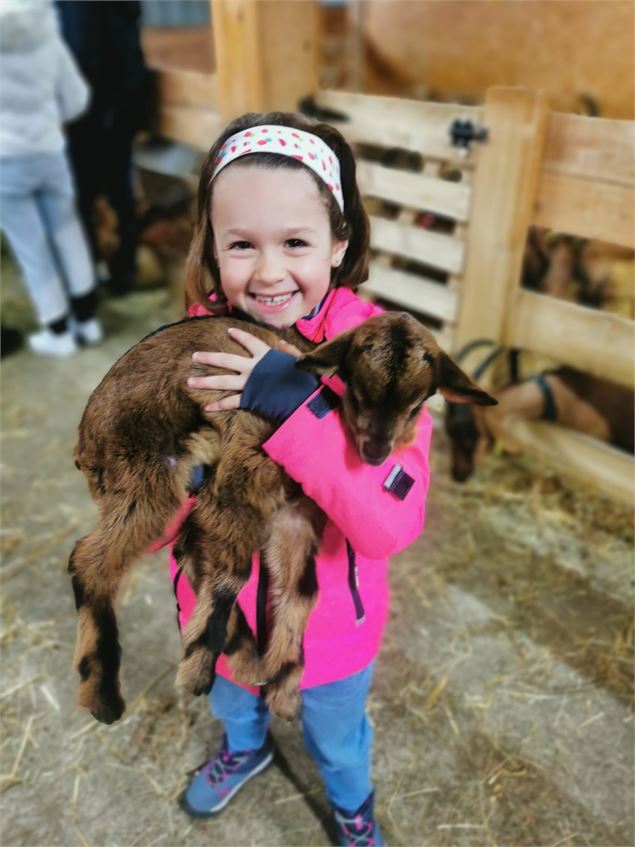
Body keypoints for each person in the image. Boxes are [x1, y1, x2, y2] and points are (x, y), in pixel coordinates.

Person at [167, 113, 433, 846]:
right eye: (241, 244)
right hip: (219, 605)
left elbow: (388, 526)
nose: (268, 271)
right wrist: (171, 476)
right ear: (211, 247)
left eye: (294, 242)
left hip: (328, 630)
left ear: (338, 244)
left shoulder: (383, 360)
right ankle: (244, 750)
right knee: (233, 696)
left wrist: (296, 406)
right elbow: (152, 496)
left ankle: (351, 803)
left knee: (337, 734)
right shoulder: (193, 349)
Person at [0, 0, 102, 358]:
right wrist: (46, 118)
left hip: (6, 163)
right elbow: (77, 99)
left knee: (32, 248)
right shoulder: (46, 31)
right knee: (67, 230)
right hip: (51, 152)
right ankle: (87, 322)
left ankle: (58, 332)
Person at [56, 1, 150, 296]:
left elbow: (81, 47)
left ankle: (94, 273)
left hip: (90, 109)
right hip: (115, 100)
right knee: (117, 192)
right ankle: (121, 269)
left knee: (84, 197)